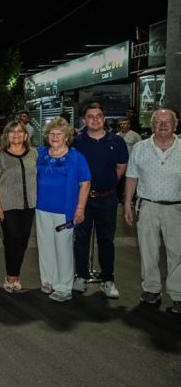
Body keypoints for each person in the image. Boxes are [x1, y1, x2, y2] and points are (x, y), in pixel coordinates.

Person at [124, 109, 181, 314]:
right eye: (159, 121)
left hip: (176, 208)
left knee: (178, 252)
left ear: (175, 125)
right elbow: (132, 176)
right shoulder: (140, 148)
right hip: (147, 205)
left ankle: (178, 294)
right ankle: (151, 289)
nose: (163, 125)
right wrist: (128, 203)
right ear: (152, 125)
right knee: (148, 250)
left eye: (168, 121)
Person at [71, 102, 128, 299]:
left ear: (104, 119)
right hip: (83, 200)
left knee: (106, 240)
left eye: (98, 116)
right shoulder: (76, 142)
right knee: (81, 239)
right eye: (90, 116)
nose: (95, 119)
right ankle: (81, 276)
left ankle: (108, 279)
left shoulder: (117, 141)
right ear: (84, 120)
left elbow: (121, 168)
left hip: (107, 199)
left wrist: (106, 184)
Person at [35, 117, 91, 302]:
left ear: (67, 137)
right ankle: (48, 280)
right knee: (45, 246)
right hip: (41, 208)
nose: (55, 137)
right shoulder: (40, 153)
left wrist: (80, 209)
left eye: (59, 134)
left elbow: (85, 184)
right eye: (52, 133)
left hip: (65, 210)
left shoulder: (76, 156)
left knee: (63, 248)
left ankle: (64, 287)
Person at [0, 120, 37, 293]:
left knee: (23, 241)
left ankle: (15, 274)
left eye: (19, 131)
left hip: (29, 205)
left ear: (26, 135)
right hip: (7, 205)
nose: (16, 134)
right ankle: (11, 276)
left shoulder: (34, 153)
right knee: (13, 240)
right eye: (12, 131)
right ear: (7, 135)